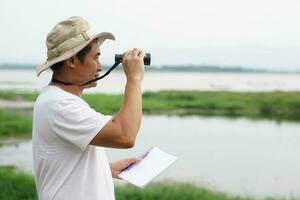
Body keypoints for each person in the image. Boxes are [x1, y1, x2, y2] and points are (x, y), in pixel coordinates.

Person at [32, 16, 145, 200]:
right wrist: (134, 78)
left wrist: (104, 171)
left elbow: (63, 167)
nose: (100, 67)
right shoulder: (60, 105)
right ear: (72, 61)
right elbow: (125, 135)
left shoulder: (55, 100)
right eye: (96, 57)